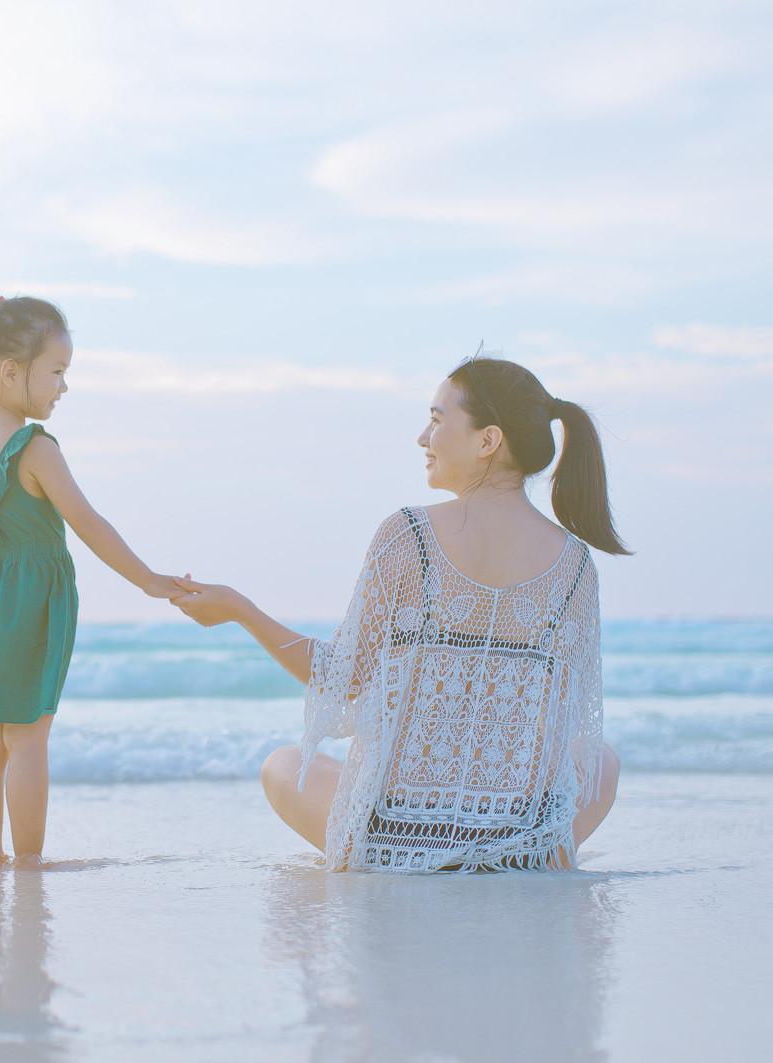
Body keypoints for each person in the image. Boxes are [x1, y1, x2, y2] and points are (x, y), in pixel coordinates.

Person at [171, 356, 627, 872]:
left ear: (488, 441)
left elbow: (341, 677)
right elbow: (555, 733)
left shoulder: (409, 535)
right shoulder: (576, 565)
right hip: (519, 838)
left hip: (394, 837)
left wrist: (240, 610)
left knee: (283, 764)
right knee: (601, 759)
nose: (422, 438)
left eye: (436, 420)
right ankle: (515, 852)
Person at [0, 293, 183, 862]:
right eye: (57, 373)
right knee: (29, 737)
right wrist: (149, 580)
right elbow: (88, 523)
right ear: (12, 372)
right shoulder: (33, 449)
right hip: (29, 605)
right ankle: (30, 864)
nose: (63, 387)